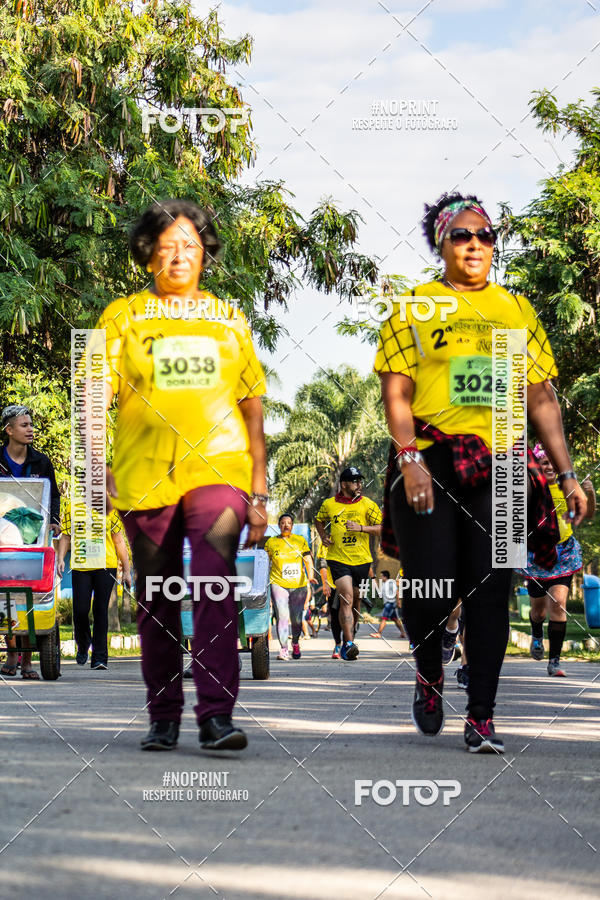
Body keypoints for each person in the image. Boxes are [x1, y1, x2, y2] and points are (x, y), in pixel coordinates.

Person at [375, 192, 588, 753]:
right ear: (441, 243)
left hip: (504, 464)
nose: (476, 245)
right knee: (432, 585)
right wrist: (410, 459)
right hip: (431, 458)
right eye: (463, 235)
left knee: (492, 590)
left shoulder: (514, 310)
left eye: (486, 236)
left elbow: (540, 397)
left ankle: (482, 717)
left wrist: (566, 474)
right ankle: (428, 671)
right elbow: (396, 392)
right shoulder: (414, 306)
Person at [93, 199, 268, 751]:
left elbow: (252, 407)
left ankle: (216, 716)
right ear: (147, 255)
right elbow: (93, 396)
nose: (178, 255)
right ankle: (164, 716)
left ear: (206, 254)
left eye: (190, 244)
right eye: (166, 245)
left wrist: (259, 489)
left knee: (213, 579)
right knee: (156, 594)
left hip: (219, 468)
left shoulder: (228, 319)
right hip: (143, 474)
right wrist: (96, 468)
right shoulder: (120, 318)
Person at [521, 444, 596, 676]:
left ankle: (554, 661)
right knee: (538, 611)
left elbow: (588, 514)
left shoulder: (568, 489)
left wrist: (590, 494)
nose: (550, 467)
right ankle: (536, 632)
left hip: (564, 552)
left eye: (554, 464)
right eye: (545, 463)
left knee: (558, 604)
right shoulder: (530, 489)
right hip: (536, 555)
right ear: (538, 467)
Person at [0, 404, 61, 680]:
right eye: (24, 425)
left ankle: (26, 660)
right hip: (3, 536)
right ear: (8, 430)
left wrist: (54, 520)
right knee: (6, 595)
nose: (30, 430)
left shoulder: (42, 462)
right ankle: (12, 653)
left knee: (28, 593)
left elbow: (54, 496)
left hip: (32, 538)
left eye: (31, 425)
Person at [314, 466, 382, 661]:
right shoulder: (329, 504)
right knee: (346, 598)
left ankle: (349, 632)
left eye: (360, 481)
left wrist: (360, 527)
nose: (359, 484)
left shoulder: (367, 504)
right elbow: (319, 520)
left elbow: (381, 528)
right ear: (344, 484)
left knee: (356, 601)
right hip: (338, 559)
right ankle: (349, 644)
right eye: (354, 481)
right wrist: (323, 535)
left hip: (362, 560)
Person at [56, 500, 132, 669]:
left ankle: (99, 657)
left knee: (100, 609)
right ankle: (83, 644)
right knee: (80, 610)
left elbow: (119, 540)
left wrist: (126, 570)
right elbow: (66, 536)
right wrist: (60, 559)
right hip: (81, 565)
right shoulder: (72, 506)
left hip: (106, 564)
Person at [264, 514, 316, 660]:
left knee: (297, 619)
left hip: (298, 585)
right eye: (282, 523)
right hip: (278, 583)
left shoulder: (300, 541)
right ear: (278, 525)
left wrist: (310, 576)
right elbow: (265, 563)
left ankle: (295, 643)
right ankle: (284, 649)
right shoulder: (271, 542)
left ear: (292, 525)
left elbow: (307, 560)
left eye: (289, 523)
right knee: (282, 615)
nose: (286, 525)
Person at [317, 544, 341, 658]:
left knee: (352, 615)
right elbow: (323, 565)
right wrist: (325, 583)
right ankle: (338, 644)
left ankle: (349, 643)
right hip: (334, 586)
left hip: (353, 582)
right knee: (335, 616)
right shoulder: (326, 542)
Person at [370, 570, 407, 638]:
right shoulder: (384, 584)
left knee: (384, 618)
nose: (380, 578)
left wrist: (398, 602)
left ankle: (379, 633)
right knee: (395, 619)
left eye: (381, 576)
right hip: (388, 603)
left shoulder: (390, 583)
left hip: (390, 603)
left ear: (385, 577)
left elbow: (396, 592)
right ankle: (403, 633)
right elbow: (381, 594)